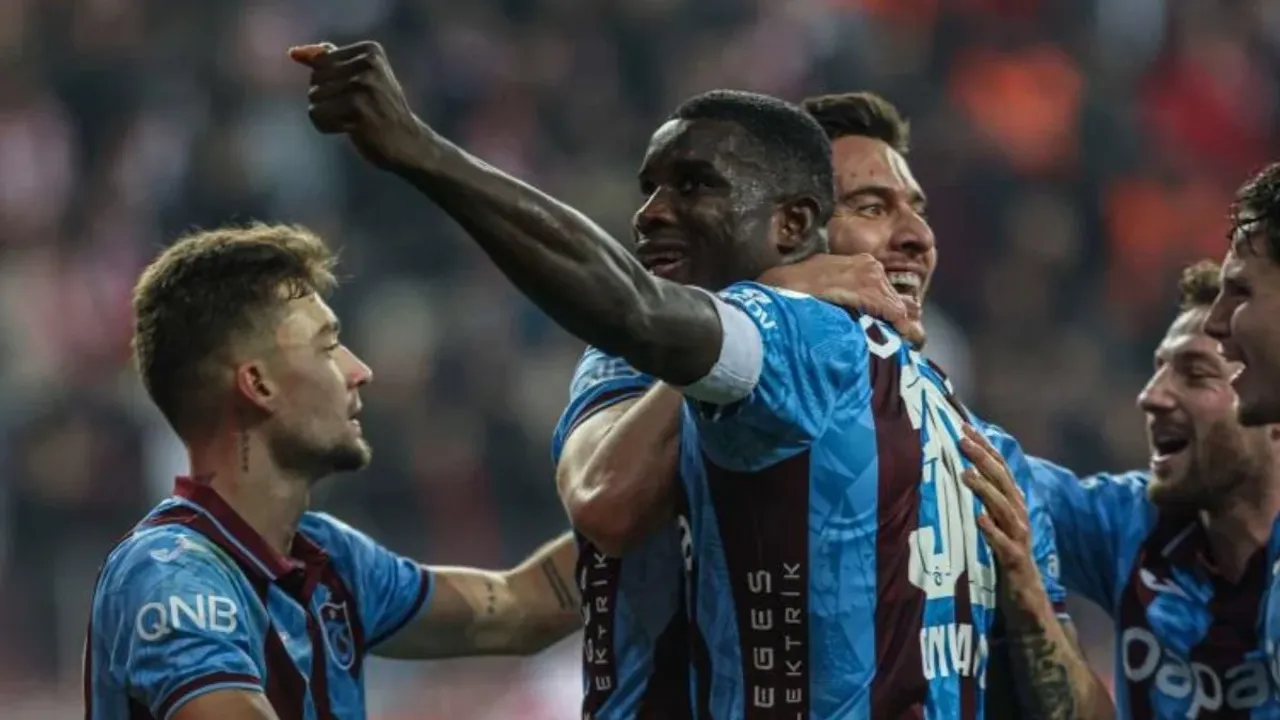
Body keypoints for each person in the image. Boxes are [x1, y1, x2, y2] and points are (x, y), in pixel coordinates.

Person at [292, 41, 1102, 718]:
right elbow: (600, 512)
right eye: (870, 206)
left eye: (913, 205)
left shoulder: (977, 448)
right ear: (803, 229)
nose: (914, 233)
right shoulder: (681, 354)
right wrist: (764, 298)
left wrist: (1031, 605)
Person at [83, 224, 584, 720]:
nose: (358, 370)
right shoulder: (170, 573)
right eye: (327, 347)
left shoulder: (331, 559)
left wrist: (632, 429)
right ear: (258, 384)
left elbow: (521, 608)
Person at [1028, 259, 1280, 718]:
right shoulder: (1133, 524)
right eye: (1159, 369)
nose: (1151, 396)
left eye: (1196, 374)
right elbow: (988, 467)